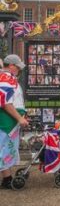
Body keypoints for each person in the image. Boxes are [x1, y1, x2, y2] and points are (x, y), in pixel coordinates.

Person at [0, 54, 29, 189]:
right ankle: (6, 179)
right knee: (4, 149)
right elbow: (5, 103)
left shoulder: (7, 78)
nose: (19, 70)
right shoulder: (6, 79)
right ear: (11, 66)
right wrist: (19, 117)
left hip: (9, 121)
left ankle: (7, 178)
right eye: (18, 67)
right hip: (7, 122)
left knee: (5, 149)